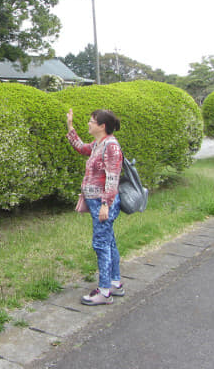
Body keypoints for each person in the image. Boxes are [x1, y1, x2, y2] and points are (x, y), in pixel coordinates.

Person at [66, 108, 124, 305]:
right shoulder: (99, 144)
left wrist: (105, 205)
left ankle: (104, 291)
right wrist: (70, 127)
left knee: (100, 243)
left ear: (102, 126)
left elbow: (112, 178)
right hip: (96, 201)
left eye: (92, 121)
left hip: (102, 202)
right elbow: (82, 148)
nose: (89, 124)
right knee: (109, 241)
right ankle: (115, 283)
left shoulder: (111, 147)